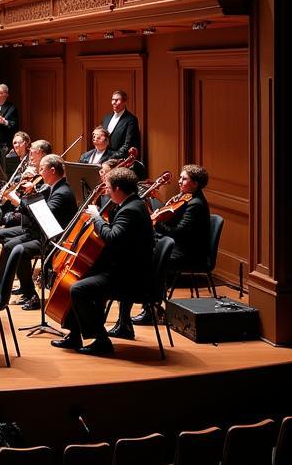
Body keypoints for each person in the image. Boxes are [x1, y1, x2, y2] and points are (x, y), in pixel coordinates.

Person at [51, 166, 154, 356]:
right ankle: (75, 334)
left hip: (131, 278)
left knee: (79, 289)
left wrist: (97, 218)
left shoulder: (130, 210)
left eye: (107, 186)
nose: (105, 190)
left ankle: (101, 340)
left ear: (117, 189)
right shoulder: (132, 204)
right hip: (124, 268)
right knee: (80, 279)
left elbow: (113, 237)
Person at [111, 164, 212, 336]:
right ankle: (147, 310)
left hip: (187, 252)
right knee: (141, 258)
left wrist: (157, 220)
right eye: (180, 177)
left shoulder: (196, 204)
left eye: (184, 178)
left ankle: (150, 308)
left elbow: (179, 233)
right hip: (177, 245)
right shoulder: (186, 197)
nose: (179, 181)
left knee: (141, 263)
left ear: (195, 184)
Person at [4, 154, 77, 310]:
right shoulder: (54, 188)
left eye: (42, 169)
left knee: (18, 250)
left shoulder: (62, 192)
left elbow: (43, 215)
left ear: (52, 170)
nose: (39, 172)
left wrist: (24, 200)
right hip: (44, 235)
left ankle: (31, 295)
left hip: (55, 241)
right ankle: (26, 289)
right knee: (10, 246)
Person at [102, 89, 142, 158]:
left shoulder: (131, 119)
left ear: (124, 102)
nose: (113, 102)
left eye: (117, 100)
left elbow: (128, 145)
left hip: (119, 159)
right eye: (112, 99)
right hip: (104, 156)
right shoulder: (106, 118)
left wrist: (111, 158)